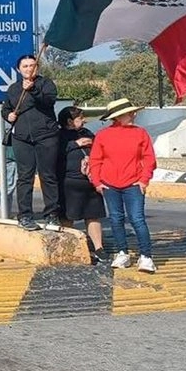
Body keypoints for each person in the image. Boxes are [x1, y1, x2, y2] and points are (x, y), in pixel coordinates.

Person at [88, 98, 157, 274]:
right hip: (109, 185)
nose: (134, 115)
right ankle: (122, 253)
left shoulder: (141, 133)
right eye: (129, 113)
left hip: (134, 184)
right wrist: (97, 182)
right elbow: (95, 160)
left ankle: (146, 256)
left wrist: (143, 180)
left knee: (137, 219)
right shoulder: (103, 135)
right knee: (116, 219)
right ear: (118, 117)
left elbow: (149, 159)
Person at [0, 53, 60, 231]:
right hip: (22, 138)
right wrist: (8, 115)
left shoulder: (46, 84)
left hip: (46, 136)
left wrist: (33, 89)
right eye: (25, 66)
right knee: (24, 177)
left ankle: (52, 214)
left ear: (37, 67)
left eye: (32, 65)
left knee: (48, 175)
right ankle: (25, 215)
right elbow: (6, 108)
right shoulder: (13, 89)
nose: (28, 69)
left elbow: (48, 101)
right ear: (19, 69)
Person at [56, 106, 106, 264]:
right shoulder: (59, 136)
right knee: (68, 216)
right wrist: (74, 145)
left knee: (93, 215)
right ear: (70, 121)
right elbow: (54, 154)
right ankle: (69, 248)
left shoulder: (87, 133)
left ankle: (99, 248)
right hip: (69, 183)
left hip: (89, 182)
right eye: (80, 118)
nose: (84, 120)